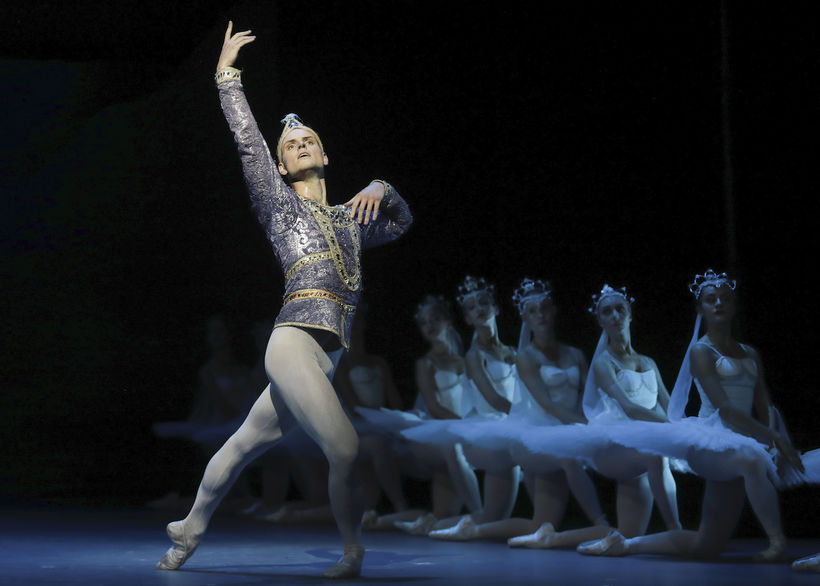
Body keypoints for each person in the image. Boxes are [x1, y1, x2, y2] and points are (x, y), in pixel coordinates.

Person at [156, 21, 412, 579]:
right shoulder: (277, 204)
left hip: (329, 354)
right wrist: (227, 76)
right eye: (290, 146)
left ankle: (189, 531)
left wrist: (382, 187)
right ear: (280, 166)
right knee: (344, 448)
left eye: (308, 140)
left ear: (325, 153)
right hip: (293, 341)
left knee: (245, 441)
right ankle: (353, 552)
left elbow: (399, 224)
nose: (299, 144)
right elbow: (248, 137)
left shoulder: (351, 218)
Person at [578, 270, 807, 562]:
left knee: (706, 545)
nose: (719, 304)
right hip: (687, 439)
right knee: (745, 462)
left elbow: (759, 402)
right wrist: (682, 433)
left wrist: (772, 440)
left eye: (725, 298)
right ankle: (776, 543)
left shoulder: (747, 353)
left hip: (735, 437)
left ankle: (626, 544)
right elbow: (720, 410)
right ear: (701, 309)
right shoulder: (698, 352)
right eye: (711, 300)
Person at [428, 278, 606, 541]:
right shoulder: (475, 356)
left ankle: (443, 525)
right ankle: (601, 523)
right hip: (497, 427)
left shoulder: (514, 352)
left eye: (484, 303)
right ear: (466, 318)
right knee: (552, 460)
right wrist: (530, 418)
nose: (479, 309)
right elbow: (497, 400)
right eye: (471, 307)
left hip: (532, 426)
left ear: (497, 308)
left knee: (507, 518)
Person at [512, 284, 681, 548]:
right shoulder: (603, 362)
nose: (614, 316)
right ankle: (676, 531)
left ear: (630, 313)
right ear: (600, 320)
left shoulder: (648, 362)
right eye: (607, 311)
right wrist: (672, 427)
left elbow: (670, 405)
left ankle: (553, 538)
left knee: (628, 535)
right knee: (655, 454)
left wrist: (685, 424)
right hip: (616, 442)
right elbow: (628, 407)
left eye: (619, 309)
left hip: (640, 439)